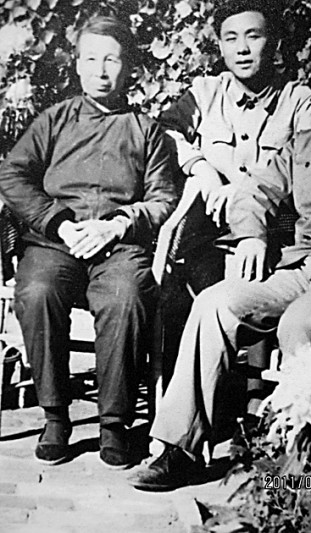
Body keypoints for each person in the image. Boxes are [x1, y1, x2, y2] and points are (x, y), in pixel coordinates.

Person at [129, 27, 311, 491]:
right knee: (215, 304)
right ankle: (180, 449)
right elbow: (255, 191)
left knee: (301, 321)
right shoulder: (307, 141)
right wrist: (251, 236)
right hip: (300, 267)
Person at [0, 16, 176, 469]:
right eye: (92, 59)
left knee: (126, 296)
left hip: (118, 246)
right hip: (56, 243)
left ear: (129, 67)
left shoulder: (146, 130)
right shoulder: (54, 121)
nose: (101, 71)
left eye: (112, 60)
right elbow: (12, 174)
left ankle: (114, 423)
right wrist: (57, 224)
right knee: (37, 291)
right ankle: (55, 415)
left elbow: (163, 199)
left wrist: (118, 225)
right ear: (77, 66)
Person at [159, 0, 311, 410]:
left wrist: (244, 191)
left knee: (249, 275)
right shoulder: (205, 93)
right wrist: (201, 169)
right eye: (231, 38)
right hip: (208, 236)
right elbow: (162, 133)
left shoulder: (299, 101)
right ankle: (191, 405)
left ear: (275, 43)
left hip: (275, 233)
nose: (242, 48)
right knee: (174, 290)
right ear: (219, 45)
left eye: (254, 36)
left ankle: (253, 400)